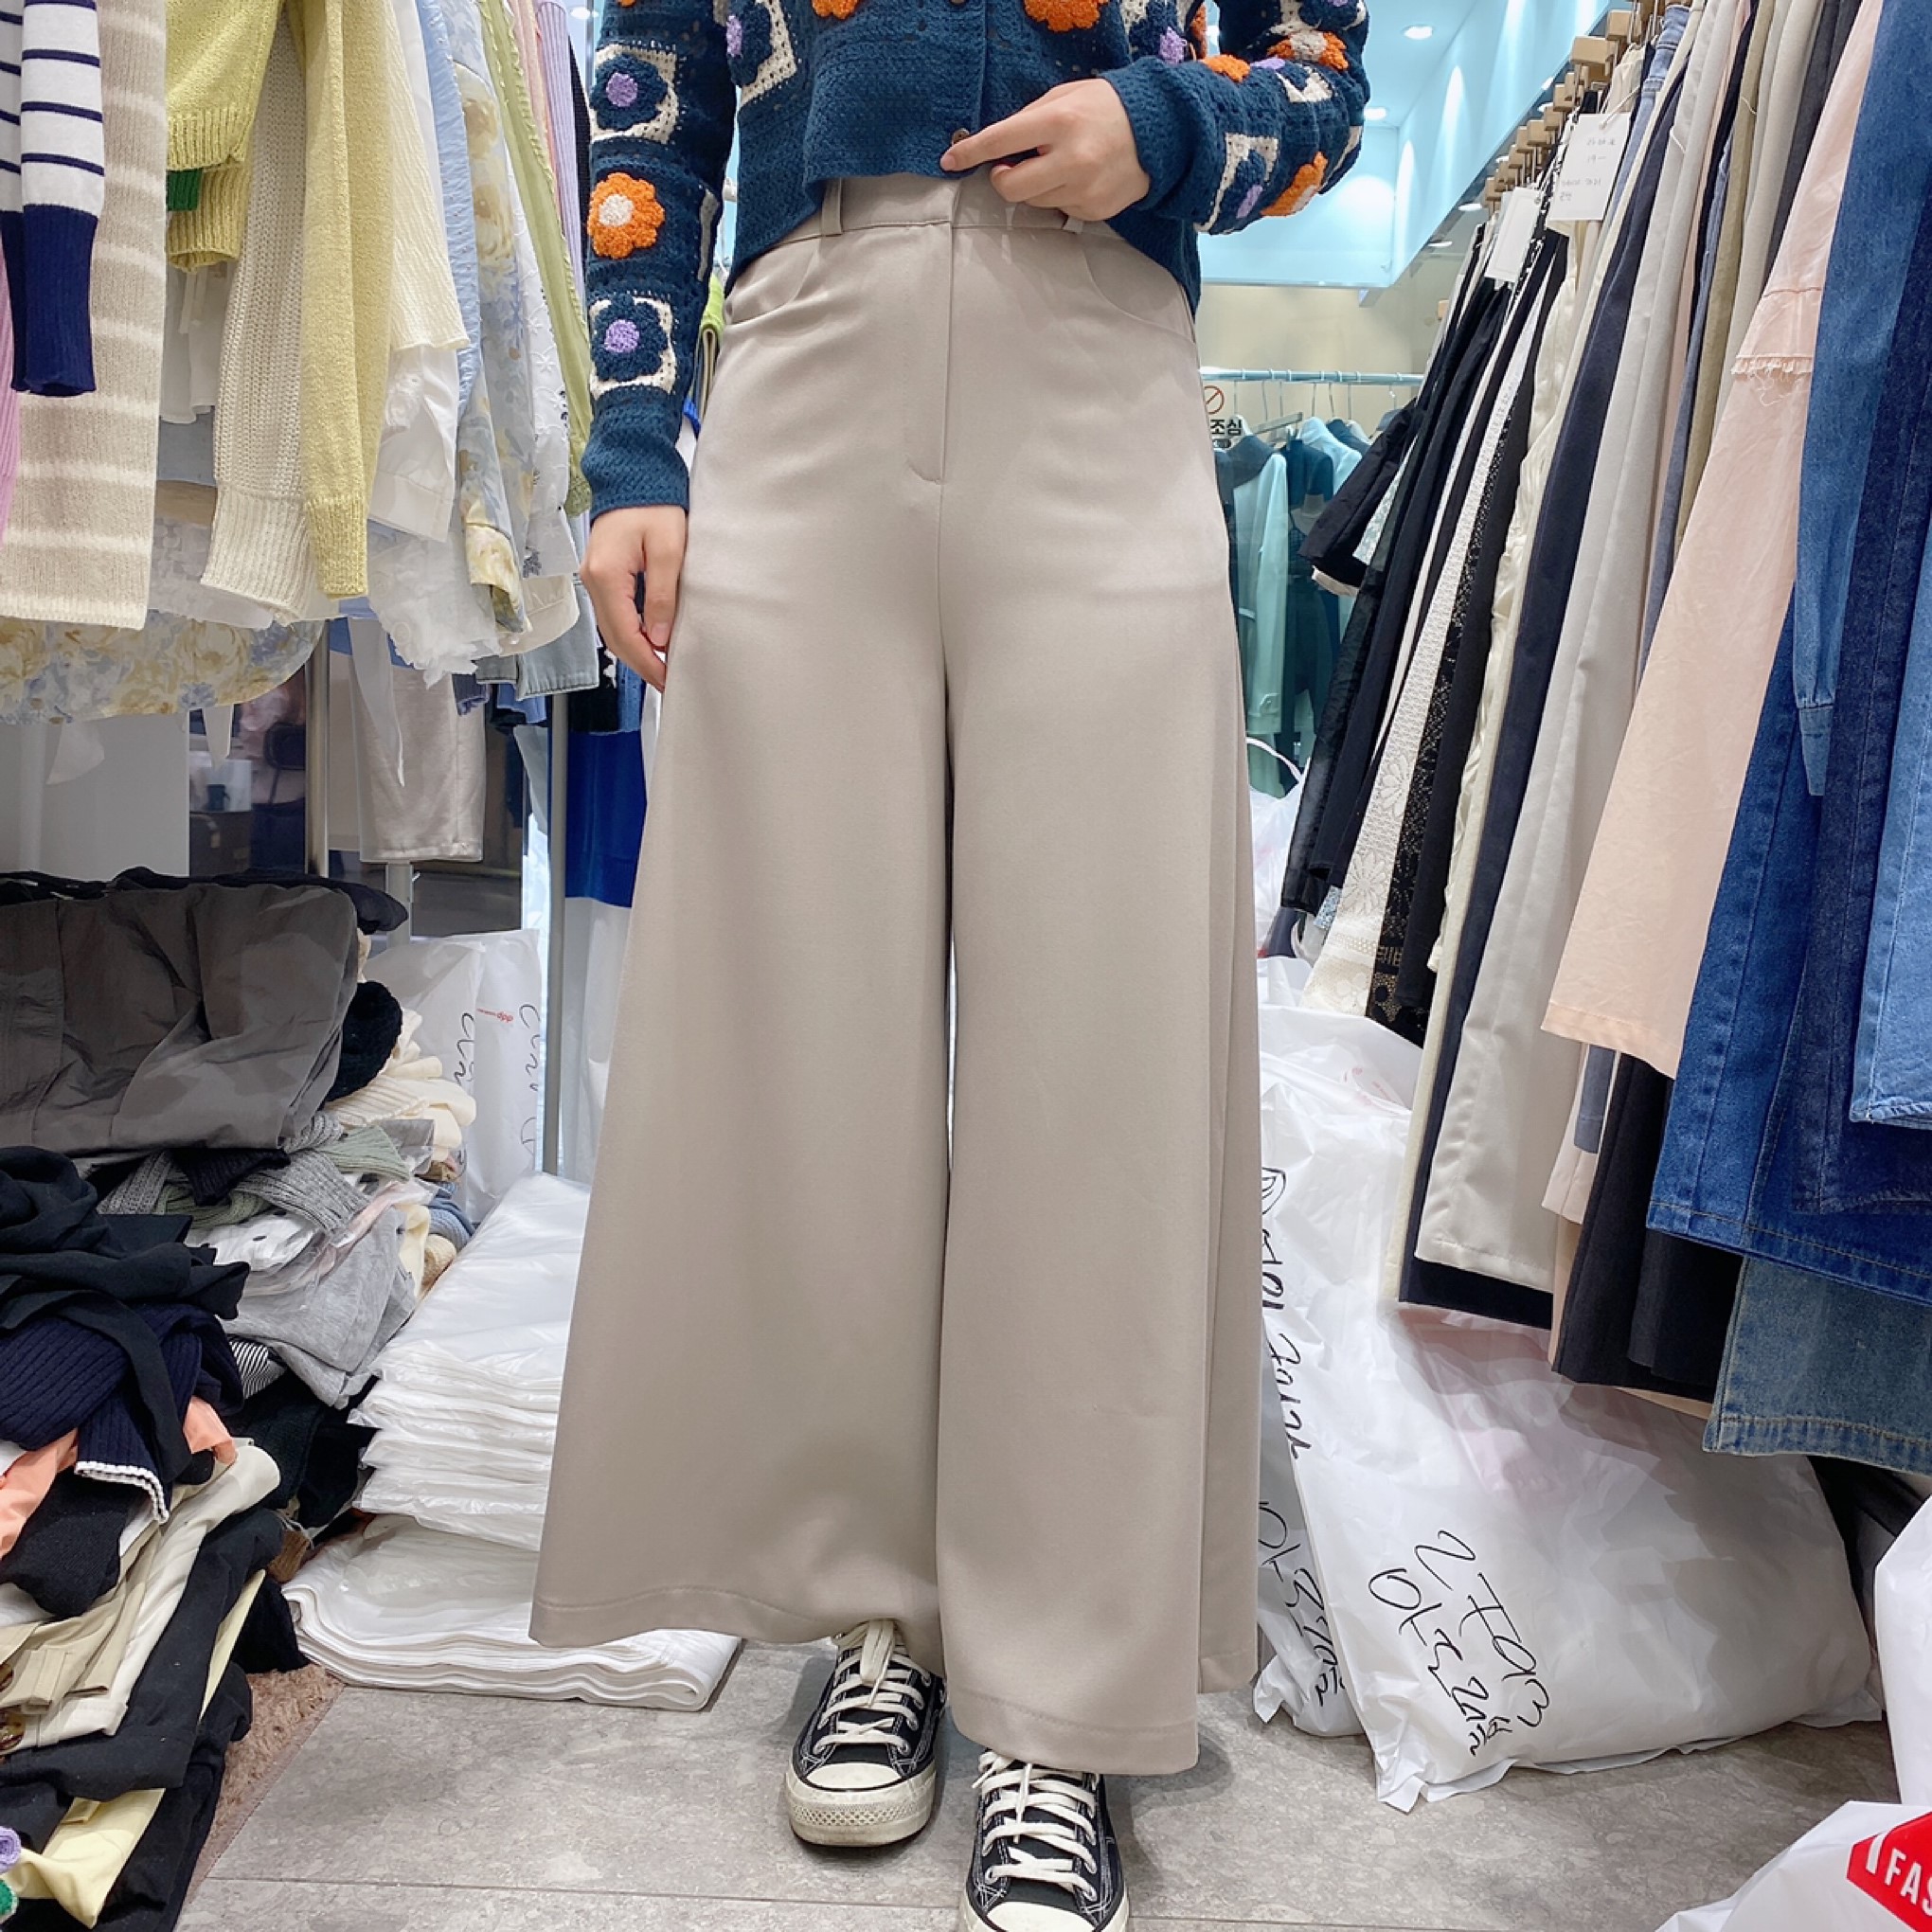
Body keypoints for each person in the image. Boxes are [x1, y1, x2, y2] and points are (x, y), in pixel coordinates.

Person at [534, 0, 1368, 1923]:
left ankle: (1062, 1691)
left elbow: (1326, 83)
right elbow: (651, 88)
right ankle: (875, 1613)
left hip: (1099, 352)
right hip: (804, 352)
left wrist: (1169, 119)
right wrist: (636, 442)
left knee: (1101, 1055)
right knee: (805, 1033)